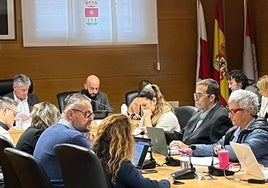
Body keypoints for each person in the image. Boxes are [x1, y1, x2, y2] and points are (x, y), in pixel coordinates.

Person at [179, 90, 268, 166]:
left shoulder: (261, 132)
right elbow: (215, 147)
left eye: (233, 111)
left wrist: (221, 149)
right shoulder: (234, 130)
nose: (229, 116)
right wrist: (193, 149)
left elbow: (241, 153)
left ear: (247, 111)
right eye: (229, 111)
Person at [93, 114, 173, 188]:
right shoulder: (121, 165)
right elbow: (148, 186)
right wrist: (165, 182)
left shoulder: (95, 156)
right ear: (125, 139)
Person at [33, 93, 93, 187]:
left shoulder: (50, 130)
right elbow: (99, 163)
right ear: (71, 114)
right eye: (87, 114)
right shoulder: (74, 137)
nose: (91, 118)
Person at [166, 78, 233, 145]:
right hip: (184, 153)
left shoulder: (221, 117)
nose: (196, 99)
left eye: (199, 95)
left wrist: (188, 148)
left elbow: (215, 147)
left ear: (212, 98)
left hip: (197, 154)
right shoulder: (199, 112)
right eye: (195, 95)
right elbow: (183, 135)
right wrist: (161, 134)